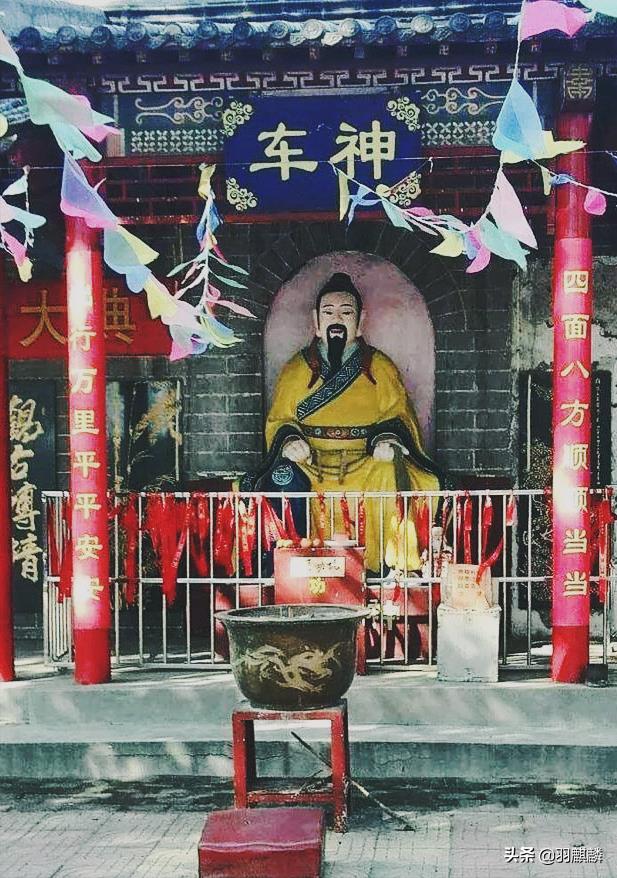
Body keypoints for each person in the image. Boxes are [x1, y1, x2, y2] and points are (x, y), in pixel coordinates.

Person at [258, 272, 441, 571]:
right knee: (282, 478)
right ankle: (294, 569)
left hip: (365, 464)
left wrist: (387, 439)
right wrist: (290, 441)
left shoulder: (380, 368)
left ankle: (384, 568)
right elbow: (279, 419)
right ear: (316, 322)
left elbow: (398, 415)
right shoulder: (295, 369)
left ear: (361, 321)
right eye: (329, 313)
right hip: (312, 464)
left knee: (392, 474)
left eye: (346, 313)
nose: (337, 320)